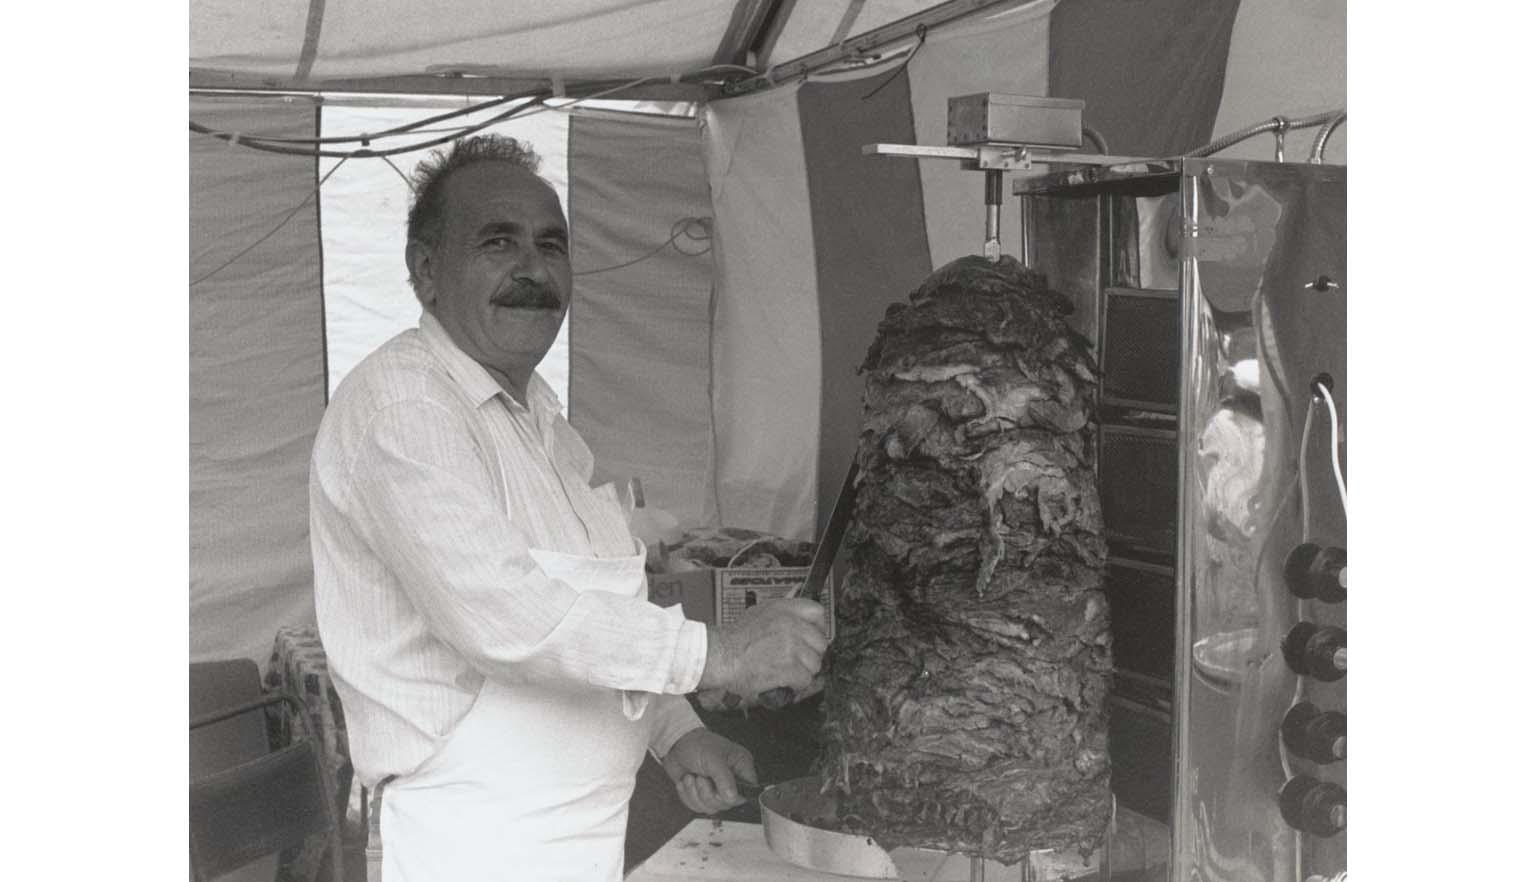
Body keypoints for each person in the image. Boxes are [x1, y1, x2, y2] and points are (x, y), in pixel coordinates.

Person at [309, 134, 829, 882]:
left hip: (578, 844)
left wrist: (674, 731)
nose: (532, 269)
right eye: (498, 243)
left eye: (552, 247)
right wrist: (722, 652)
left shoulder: (542, 422)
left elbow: (591, 610)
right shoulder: (405, 408)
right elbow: (507, 621)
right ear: (427, 272)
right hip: (471, 847)